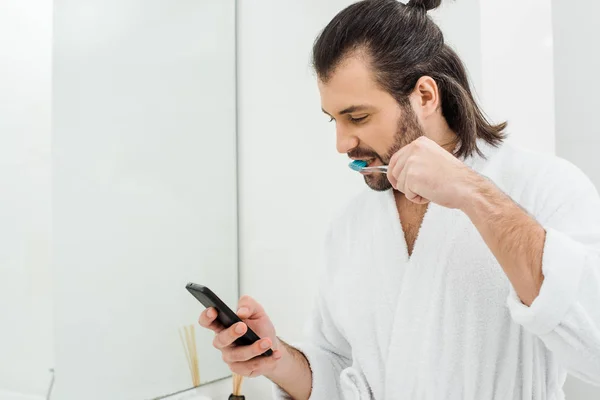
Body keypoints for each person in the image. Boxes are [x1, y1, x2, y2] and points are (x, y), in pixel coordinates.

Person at [199, 0, 600, 398]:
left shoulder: (545, 185)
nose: (342, 143)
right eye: (333, 119)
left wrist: (472, 192)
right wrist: (278, 360)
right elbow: (340, 369)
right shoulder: (352, 226)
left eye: (357, 118)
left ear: (425, 96)